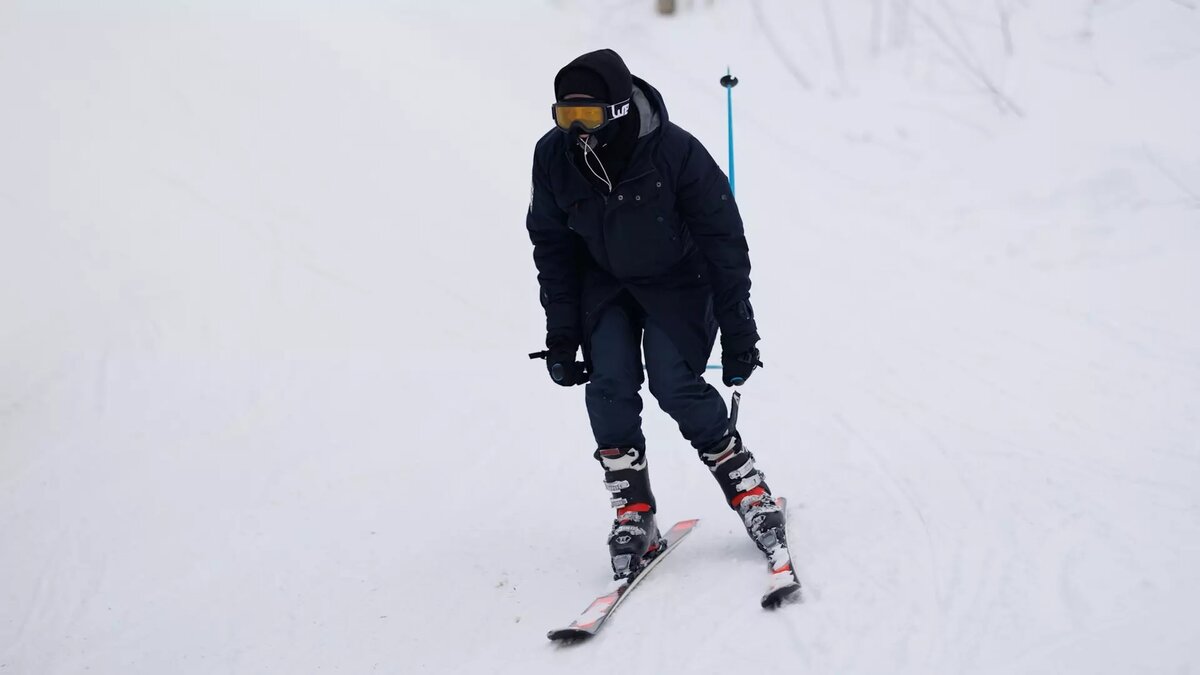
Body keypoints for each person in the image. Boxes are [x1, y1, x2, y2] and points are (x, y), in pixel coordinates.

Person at [527, 49, 784, 579]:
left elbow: (724, 242)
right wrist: (562, 334)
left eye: (589, 117)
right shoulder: (553, 156)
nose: (576, 129)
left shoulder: (675, 152)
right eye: (565, 116)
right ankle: (634, 510)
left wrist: (739, 330)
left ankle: (750, 489)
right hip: (606, 283)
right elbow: (552, 247)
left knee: (674, 383)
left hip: (679, 281)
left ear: (619, 110)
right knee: (609, 384)